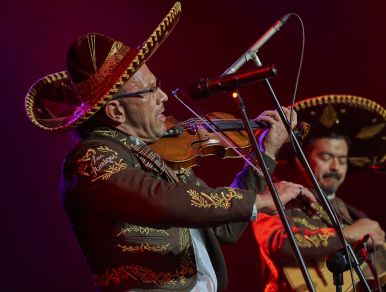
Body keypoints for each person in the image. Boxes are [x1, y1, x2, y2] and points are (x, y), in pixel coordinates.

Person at [24, 3, 316, 291]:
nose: (163, 96)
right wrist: (261, 200)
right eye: (150, 90)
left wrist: (264, 153)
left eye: (157, 85)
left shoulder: (158, 154)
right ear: (115, 112)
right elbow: (162, 199)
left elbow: (225, 227)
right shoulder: (91, 158)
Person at [239, 95, 386, 291]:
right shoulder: (279, 197)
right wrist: (347, 234)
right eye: (326, 157)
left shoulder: (354, 214)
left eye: (342, 160)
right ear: (301, 161)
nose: (335, 166)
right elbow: (279, 242)